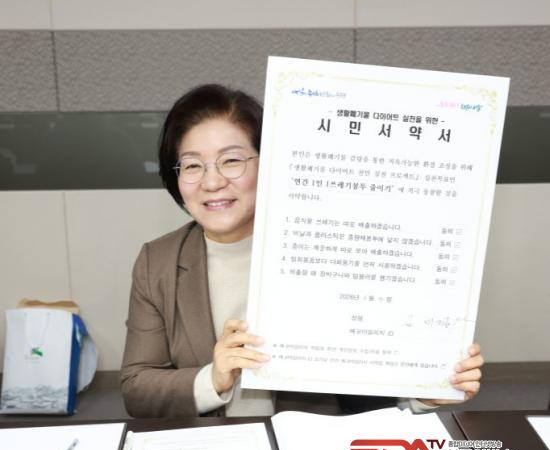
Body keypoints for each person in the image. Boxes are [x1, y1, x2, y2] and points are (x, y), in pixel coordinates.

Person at [120, 84, 484, 418]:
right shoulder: (159, 262)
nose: (212, 181)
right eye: (192, 165)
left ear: (269, 162)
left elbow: (369, 377)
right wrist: (212, 379)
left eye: (231, 160)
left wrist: (428, 392)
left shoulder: (333, 244)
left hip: (314, 447)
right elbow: (137, 390)